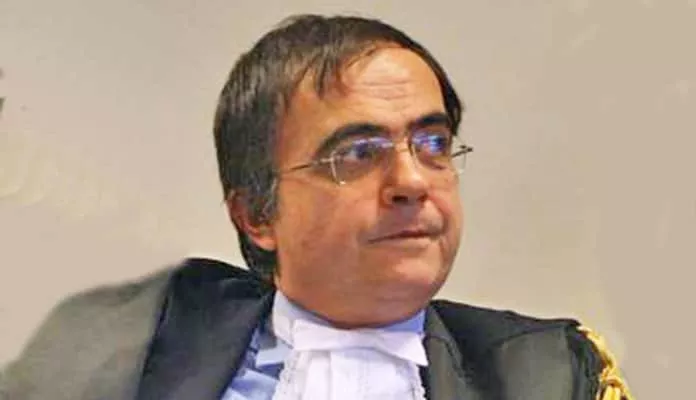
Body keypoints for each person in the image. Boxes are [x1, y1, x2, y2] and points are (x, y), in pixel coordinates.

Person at [0, 14, 632, 400]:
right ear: (257, 215)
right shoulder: (137, 344)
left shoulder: (548, 374)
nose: (412, 181)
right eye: (357, 154)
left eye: (433, 144)